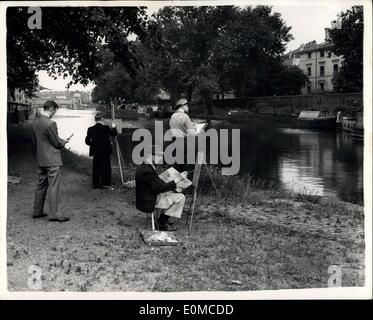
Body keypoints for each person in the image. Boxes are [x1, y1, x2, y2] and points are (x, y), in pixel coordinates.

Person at [32, 100, 70, 222]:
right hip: (52, 159)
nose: (54, 113)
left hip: (41, 158)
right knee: (54, 187)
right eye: (54, 111)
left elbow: (36, 140)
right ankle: (56, 215)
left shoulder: (35, 122)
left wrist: (57, 141)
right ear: (52, 109)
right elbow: (56, 143)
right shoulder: (50, 123)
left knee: (41, 185)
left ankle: (37, 211)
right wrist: (63, 142)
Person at [135, 146, 186, 231]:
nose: (161, 158)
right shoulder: (147, 170)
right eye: (159, 156)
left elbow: (154, 184)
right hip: (149, 201)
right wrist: (177, 179)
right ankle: (162, 222)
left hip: (148, 196)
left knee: (174, 193)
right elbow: (159, 188)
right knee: (181, 197)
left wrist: (172, 180)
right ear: (151, 156)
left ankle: (163, 220)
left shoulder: (145, 166)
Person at [85, 112, 117, 189]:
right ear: (102, 119)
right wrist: (114, 127)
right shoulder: (106, 128)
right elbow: (114, 134)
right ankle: (105, 184)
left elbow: (87, 141)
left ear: (95, 120)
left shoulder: (90, 129)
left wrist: (93, 144)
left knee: (96, 168)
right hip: (105, 151)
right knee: (106, 167)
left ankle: (95, 184)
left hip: (95, 151)